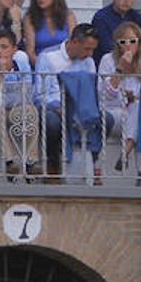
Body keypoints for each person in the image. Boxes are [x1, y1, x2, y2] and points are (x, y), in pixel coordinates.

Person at [35, 24, 100, 178]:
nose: (90, 54)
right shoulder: (47, 57)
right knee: (52, 121)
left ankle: (91, 161)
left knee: (107, 120)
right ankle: (53, 164)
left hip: (81, 109)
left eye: (93, 50)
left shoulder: (89, 62)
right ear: (75, 42)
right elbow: (40, 94)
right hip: (55, 108)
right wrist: (59, 107)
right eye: (87, 49)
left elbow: (92, 92)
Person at [0, 31, 37, 178]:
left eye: (4, 47)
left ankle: (31, 162)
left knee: (31, 110)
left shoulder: (22, 65)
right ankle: (9, 161)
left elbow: (27, 94)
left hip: (17, 107)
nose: (0, 51)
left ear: (14, 49)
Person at [97, 22, 141, 177]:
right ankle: (140, 170)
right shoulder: (107, 60)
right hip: (112, 112)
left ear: (139, 43)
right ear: (117, 44)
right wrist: (120, 68)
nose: (128, 46)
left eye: (132, 41)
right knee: (138, 114)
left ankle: (126, 151)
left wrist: (133, 98)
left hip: (134, 114)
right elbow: (106, 94)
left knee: (139, 109)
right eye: (123, 42)